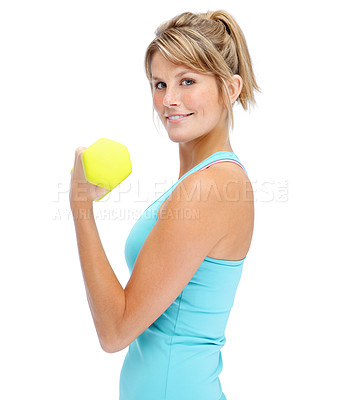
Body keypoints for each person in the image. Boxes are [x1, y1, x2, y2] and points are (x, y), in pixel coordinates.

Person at [69, 9, 261, 400]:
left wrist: (81, 207)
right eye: (159, 84)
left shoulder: (209, 188)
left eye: (187, 81)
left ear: (231, 88)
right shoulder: (200, 181)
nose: (169, 100)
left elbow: (116, 330)